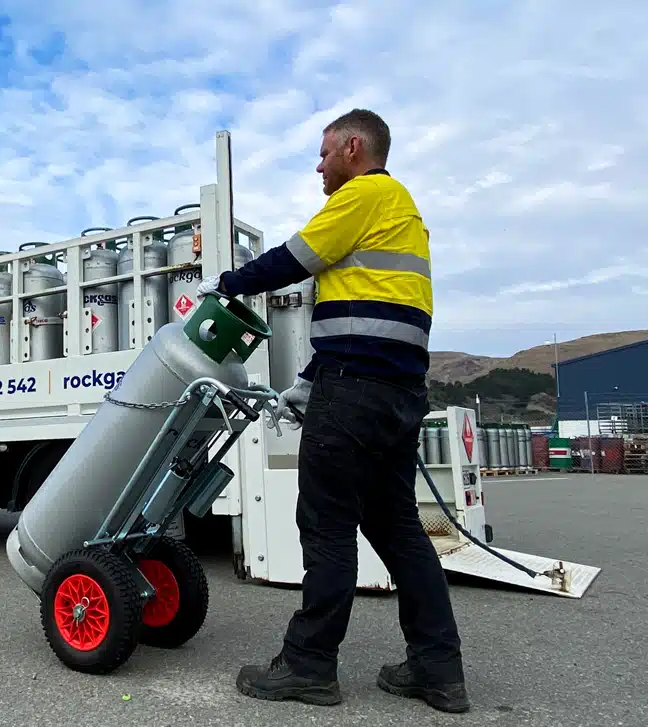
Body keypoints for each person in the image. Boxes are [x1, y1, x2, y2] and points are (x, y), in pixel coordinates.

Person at [199, 109, 469, 714]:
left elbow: (293, 258)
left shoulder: (365, 193)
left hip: (355, 396)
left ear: (353, 147)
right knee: (403, 533)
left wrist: (228, 283)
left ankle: (308, 666)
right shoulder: (403, 212)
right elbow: (371, 320)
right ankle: (438, 669)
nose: (319, 166)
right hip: (396, 394)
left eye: (324, 154)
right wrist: (310, 378)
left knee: (325, 527)